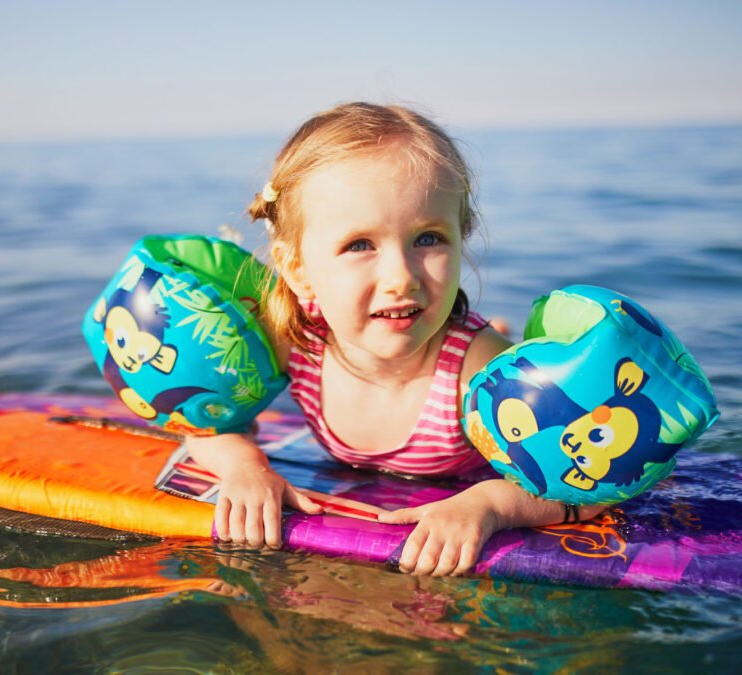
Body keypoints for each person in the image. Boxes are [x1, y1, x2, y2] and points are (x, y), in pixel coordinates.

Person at [186, 102, 604, 577]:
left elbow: (590, 481)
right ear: (298, 270)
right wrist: (245, 468)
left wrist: (491, 503)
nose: (400, 277)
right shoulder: (297, 339)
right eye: (360, 245)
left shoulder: (480, 374)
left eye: (428, 239)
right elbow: (206, 419)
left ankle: (498, 331)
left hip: (465, 439)